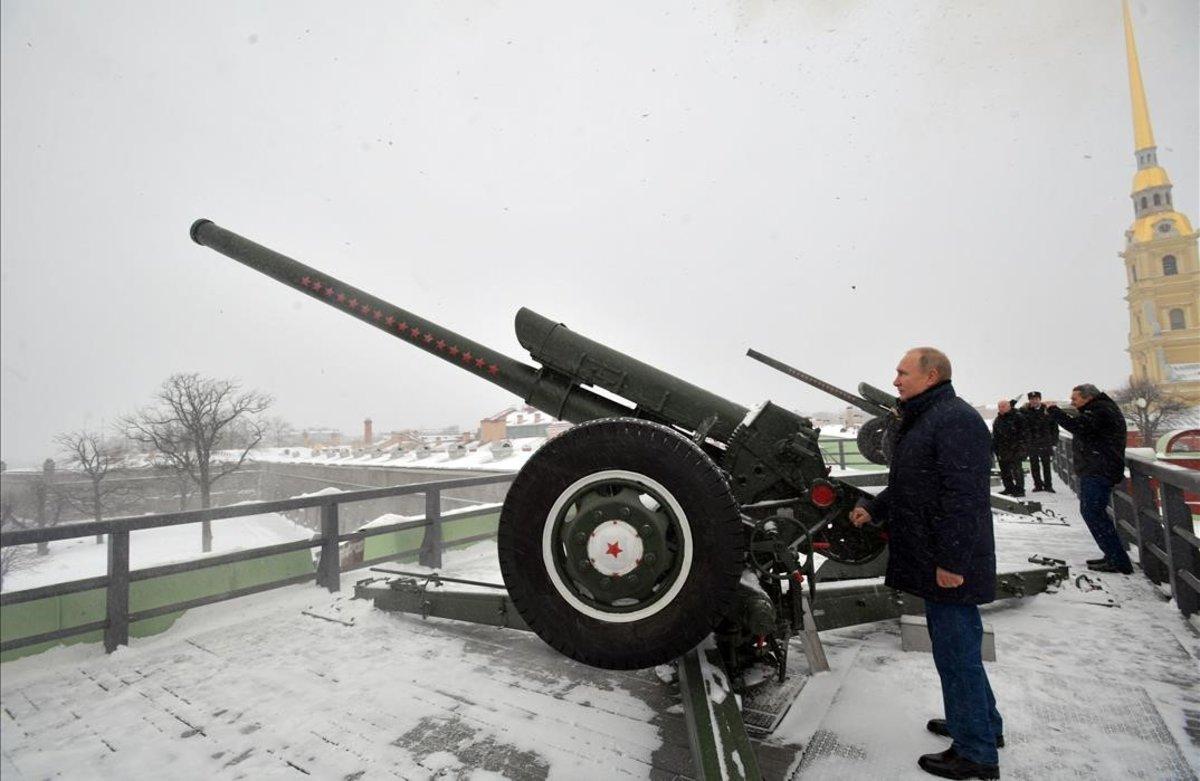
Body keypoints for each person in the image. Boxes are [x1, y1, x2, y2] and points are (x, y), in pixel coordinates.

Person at [849, 347, 1001, 780]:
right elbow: (913, 483)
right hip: (936, 554)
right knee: (959, 648)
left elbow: (965, 497)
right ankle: (983, 725)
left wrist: (952, 561)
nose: (895, 380)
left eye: (902, 372)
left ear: (931, 376)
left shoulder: (954, 420)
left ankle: (976, 754)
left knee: (956, 655)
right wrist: (876, 509)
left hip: (949, 560)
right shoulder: (929, 418)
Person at [1047, 384, 1132, 574]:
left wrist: (1054, 411)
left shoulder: (1100, 410)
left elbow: (1077, 427)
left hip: (1099, 470)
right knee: (1094, 512)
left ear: (1087, 398)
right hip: (1098, 468)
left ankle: (1118, 560)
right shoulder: (1100, 409)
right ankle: (1112, 555)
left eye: (1075, 398)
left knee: (1093, 512)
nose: (1072, 402)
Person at [1021, 392, 1058, 492]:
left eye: (1036, 399)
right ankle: (1038, 485)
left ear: (1040, 399)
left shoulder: (1047, 410)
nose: (1034, 401)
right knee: (1034, 465)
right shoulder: (1025, 411)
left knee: (1046, 465)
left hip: (1045, 441)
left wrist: (1054, 442)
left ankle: (1048, 485)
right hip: (1032, 442)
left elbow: (1054, 428)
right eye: (1032, 399)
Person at [991, 399, 1027, 497]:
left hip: (1015, 448)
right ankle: (1009, 488)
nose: (1001, 409)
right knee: (1005, 471)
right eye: (999, 407)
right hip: (1003, 449)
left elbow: (1024, 433)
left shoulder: (1018, 417)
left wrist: (1021, 447)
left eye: (1003, 406)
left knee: (1017, 471)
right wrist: (996, 449)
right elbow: (995, 435)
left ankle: (1020, 490)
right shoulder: (998, 420)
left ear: (1009, 406)